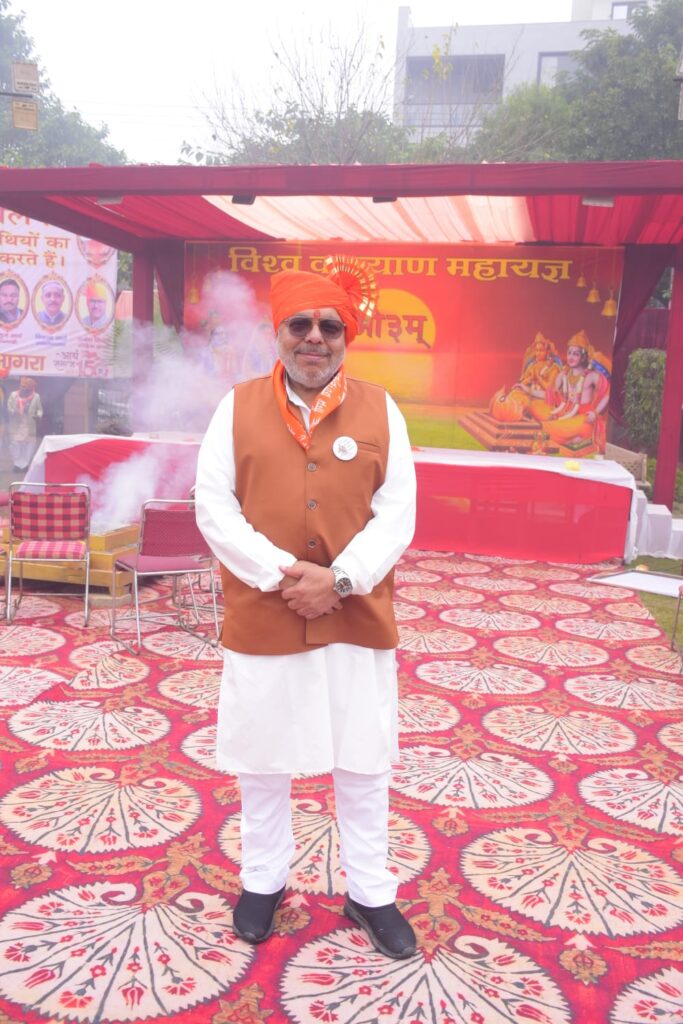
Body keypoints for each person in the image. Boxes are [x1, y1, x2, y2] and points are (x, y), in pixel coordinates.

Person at [195, 257, 418, 959]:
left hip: (355, 615)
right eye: (300, 325)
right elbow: (214, 507)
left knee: (363, 760)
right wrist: (284, 574)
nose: (314, 337)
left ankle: (370, 891)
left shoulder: (382, 409)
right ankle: (263, 880)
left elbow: (398, 514)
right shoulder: (235, 408)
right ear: (279, 333)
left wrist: (339, 580)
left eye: (329, 326)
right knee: (262, 760)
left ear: (346, 335)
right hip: (264, 612)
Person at [541, 330, 611, 448]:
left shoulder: (591, 376)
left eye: (575, 354)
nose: (571, 357)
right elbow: (552, 392)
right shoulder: (564, 375)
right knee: (549, 426)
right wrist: (528, 390)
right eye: (569, 353)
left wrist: (595, 413)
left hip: (584, 418)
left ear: (583, 357)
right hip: (567, 414)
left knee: (574, 435)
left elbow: (608, 393)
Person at [489, 332, 561, 423]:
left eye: (541, 350)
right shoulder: (532, 365)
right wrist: (530, 379)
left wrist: (539, 378)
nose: (538, 353)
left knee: (539, 409)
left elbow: (549, 388)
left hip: (542, 398)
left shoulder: (553, 368)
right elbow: (522, 383)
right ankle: (521, 412)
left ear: (547, 352)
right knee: (514, 394)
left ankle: (525, 412)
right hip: (528, 394)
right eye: (537, 350)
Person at [7, 376, 43, 471]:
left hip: (29, 425)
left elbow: (39, 410)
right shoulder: (13, 395)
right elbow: (9, 407)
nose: (23, 388)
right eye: (22, 386)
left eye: (26, 386)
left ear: (31, 387)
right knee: (15, 444)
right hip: (17, 425)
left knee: (29, 446)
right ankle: (17, 464)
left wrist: (37, 416)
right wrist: (14, 412)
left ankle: (25, 465)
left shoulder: (36, 396)